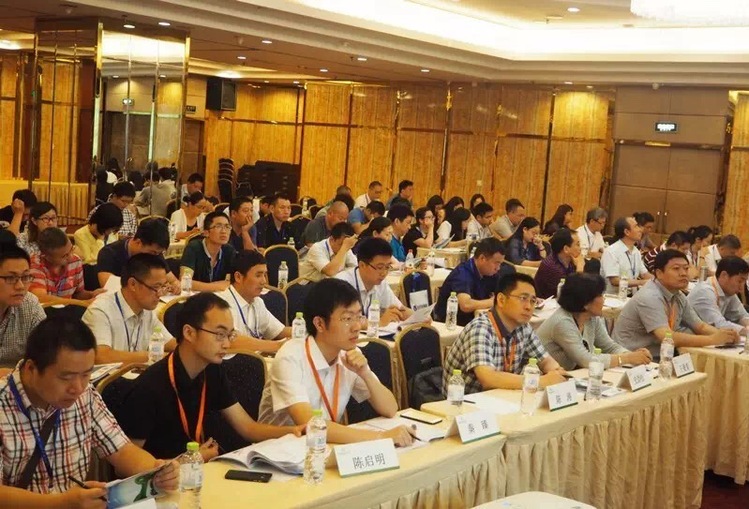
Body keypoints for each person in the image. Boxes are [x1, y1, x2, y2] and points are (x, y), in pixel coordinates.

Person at [0, 316, 179, 501]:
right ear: (31, 368)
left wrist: (156, 470)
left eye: (86, 375)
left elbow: (122, 450)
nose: (77, 388)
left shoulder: (85, 395)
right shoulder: (4, 404)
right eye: (66, 377)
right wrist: (60, 504)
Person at [118, 293, 302, 461]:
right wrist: (192, 459)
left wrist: (296, 430)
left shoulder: (212, 370)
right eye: (220, 335)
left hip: (197, 471)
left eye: (230, 335)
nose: (227, 344)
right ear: (189, 333)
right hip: (161, 481)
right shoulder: (149, 387)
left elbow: (248, 428)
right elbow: (128, 465)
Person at [258, 278, 413, 446]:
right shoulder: (290, 357)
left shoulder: (349, 354)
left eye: (358, 316)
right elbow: (310, 424)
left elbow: (390, 408)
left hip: (323, 446)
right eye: (347, 319)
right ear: (319, 323)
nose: (356, 326)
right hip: (280, 451)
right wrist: (381, 437)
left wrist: (365, 374)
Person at [442, 273, 566, 395]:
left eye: (533, 301)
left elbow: (545, 361)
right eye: (523, 298)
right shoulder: (480, 329)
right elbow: (488, 378)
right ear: (501, 300)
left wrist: (555, 371)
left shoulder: (523, 327)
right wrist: (540, 381)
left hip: (501, 398)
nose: (529, 307)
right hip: (464, 402)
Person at [612, 249, 739, 358]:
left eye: (686, 268)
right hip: (632, 357)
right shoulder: (649, 296)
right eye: (676, 269)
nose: (683, 273)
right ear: (659, 273)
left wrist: (725, 335)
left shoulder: (677, 294)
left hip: (661, 355)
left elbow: (700, 326)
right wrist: (712, 339)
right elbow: (667, 336)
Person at [537, 273, 652, 370]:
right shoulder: (562, 322)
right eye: (601, 295)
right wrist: (627, 358)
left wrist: (633, 355)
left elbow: (609, 346)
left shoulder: (591, 318)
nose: (604, 299)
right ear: (586, 302)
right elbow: (585, 359)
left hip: (572, 375)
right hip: (545, 378)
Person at [83, 254, 175, 364]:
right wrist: (152, 356)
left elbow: (171, 344)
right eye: (156, 287)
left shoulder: (147, 310)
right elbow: (101, 356)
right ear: (132, 284)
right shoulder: (100, 311)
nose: (160, 294)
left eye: (163, 287)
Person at [215, 250, 292, 354]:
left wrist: (305, 332)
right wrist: (277, 345)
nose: (263, 281)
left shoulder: (257, 302)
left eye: (265, 275)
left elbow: (279, 331)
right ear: (238, 277)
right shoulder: (220, 304)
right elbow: (230, 340)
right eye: (258, 275)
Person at [433, 238, 514, 326]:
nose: (498, 268)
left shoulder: (491, 273)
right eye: (496, 263)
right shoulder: (463, 273)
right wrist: (492, 301)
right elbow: (465, 305)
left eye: (500, 264)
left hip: (475, 320)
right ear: (482, 258)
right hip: (450, 324)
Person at [336, 238, 413, 326]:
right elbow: (343, 321)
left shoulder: (381, 283)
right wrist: (379, 322)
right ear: (362, 265)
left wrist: (419, 317)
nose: (384, 273)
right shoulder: (342, 283)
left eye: (387, 267)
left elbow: (400, 309)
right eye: (380, 267)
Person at [96, 218, 181, 293]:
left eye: (158, 253)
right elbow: (108, 287)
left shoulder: (155, 254)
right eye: (153, 252)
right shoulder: (109, 253)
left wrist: (175, 286)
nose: (155, 256)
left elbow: (173, 281)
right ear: (138, 242)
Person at [29, 228, 105, 306]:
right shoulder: (35, 266)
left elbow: (78, 294)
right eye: (64, 256)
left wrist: (91, 294)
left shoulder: (75, 261)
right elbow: (40, 298)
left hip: (69, 310)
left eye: (72, 249)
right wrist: (81, 303)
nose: (71, 257)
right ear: (45, 256)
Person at [0, 245, 45, 373]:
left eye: (25, 277)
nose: (20, 286)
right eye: (10, 278)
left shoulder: (29, 304)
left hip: (19, 381)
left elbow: (47, 352)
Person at [688, 256, 749, 334]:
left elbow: (742, 315)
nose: (741, 288)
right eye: (740, 281)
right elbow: (718, 325)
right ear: (724, 275)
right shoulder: (704, 292)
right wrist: (745, 331)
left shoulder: (728, 291)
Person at [180, 211, 237, 293]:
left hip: (219, 297)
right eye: (218, 226)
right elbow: (185, 282)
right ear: (206, 232)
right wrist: (216, 286)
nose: (224, 231)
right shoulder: (193, 248)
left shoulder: (229, 250)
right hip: (195, 297)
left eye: (227, 227)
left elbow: (232, 282)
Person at [600, 217, 652, 294]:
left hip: (631, 296)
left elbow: (644, 274)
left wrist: (659, 281)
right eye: (636, 226)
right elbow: (615, 281)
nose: (640, 230)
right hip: (613, 297)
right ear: (627, 232)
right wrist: (641, 282)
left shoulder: (636, 251)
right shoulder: (611, 251)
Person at [534, 229, 581, 299]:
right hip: (545, 304)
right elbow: (571, 294)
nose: (580, 248)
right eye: (578, 244)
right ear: (566, 249)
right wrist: (580, 267)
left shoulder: (570, 261)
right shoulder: (552, 266)